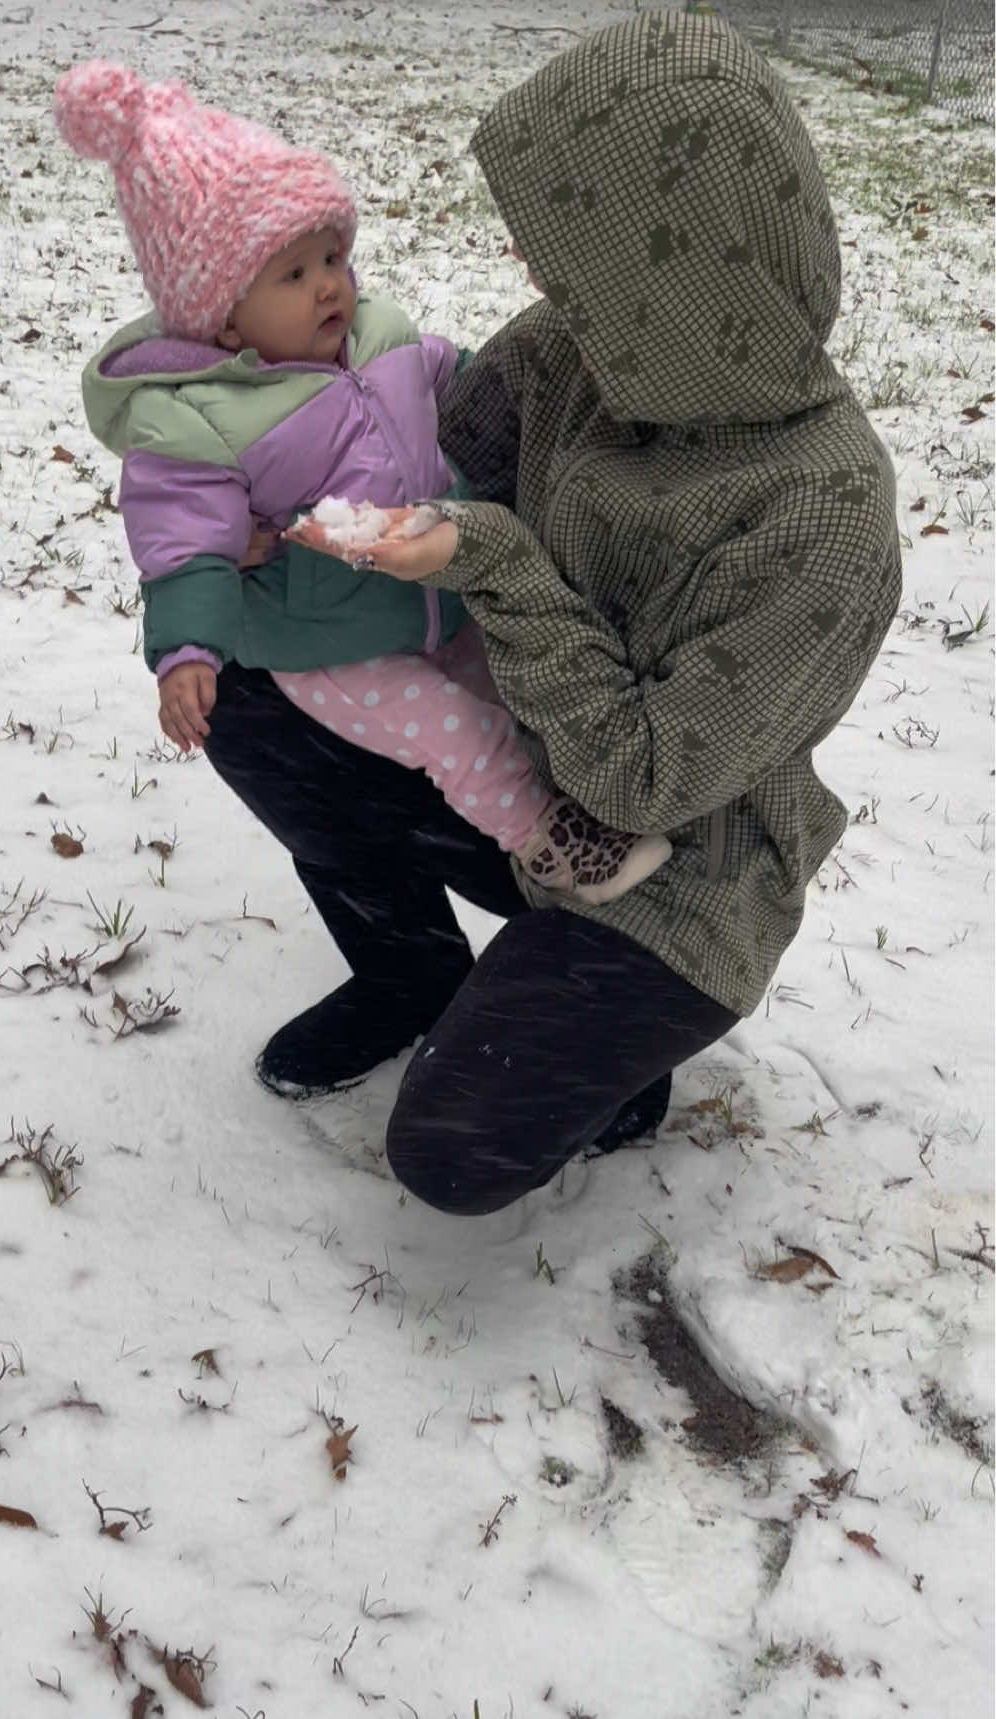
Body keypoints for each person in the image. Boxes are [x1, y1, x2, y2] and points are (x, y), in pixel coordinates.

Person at [176, 8, 903, 1217]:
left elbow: (641, 781)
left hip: (679, 871)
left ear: (678, 265)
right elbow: (414, 468)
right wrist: (244, 494)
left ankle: (630, 1042)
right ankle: (409, 973)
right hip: (508, 770)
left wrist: (497, 560)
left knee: (453, 1157)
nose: (538, 280)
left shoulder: (819, 520)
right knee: (253, 687)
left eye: (579, 254)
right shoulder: (580, 353)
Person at [53, 61, 670, 927]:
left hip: (433, 594)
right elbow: (183, 544)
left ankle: (591, 807)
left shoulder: (379, 335)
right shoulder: (200, 422)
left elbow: (447, 382)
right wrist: (186, 652)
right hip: (332, 647)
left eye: (333, 256)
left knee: (509, 691)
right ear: (222, 316)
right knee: (455, 732)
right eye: (294, 275)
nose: (331, 285)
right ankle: (552, 847)